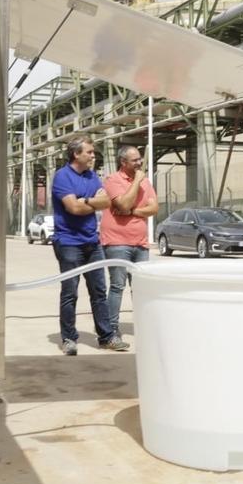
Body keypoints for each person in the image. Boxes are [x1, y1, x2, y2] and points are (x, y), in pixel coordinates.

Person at [50, 136, 130, 356]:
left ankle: (106, 337)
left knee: (99, 291)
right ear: (76, 154)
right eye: (90, 152)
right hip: (68, 243)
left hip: (91, 242)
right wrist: (88, 202)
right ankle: (69, 339)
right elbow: (73, 209)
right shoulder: (62, 177)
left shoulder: (92, 176)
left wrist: (83, 201)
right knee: (70, 293)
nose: (93, 156)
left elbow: (105, 202)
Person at [100, 145, 158, 344]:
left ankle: (144, 326)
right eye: (135, 160)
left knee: (140, 287)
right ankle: (112, 331)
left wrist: (133, 211)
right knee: (117, 286)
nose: (139, 163)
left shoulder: (145, 182)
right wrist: (137, 183)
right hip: (117, 242)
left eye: (140, 159)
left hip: (140, 243)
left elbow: (154, 208)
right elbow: (122, 204)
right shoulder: (112, 180)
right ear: (123, 163)